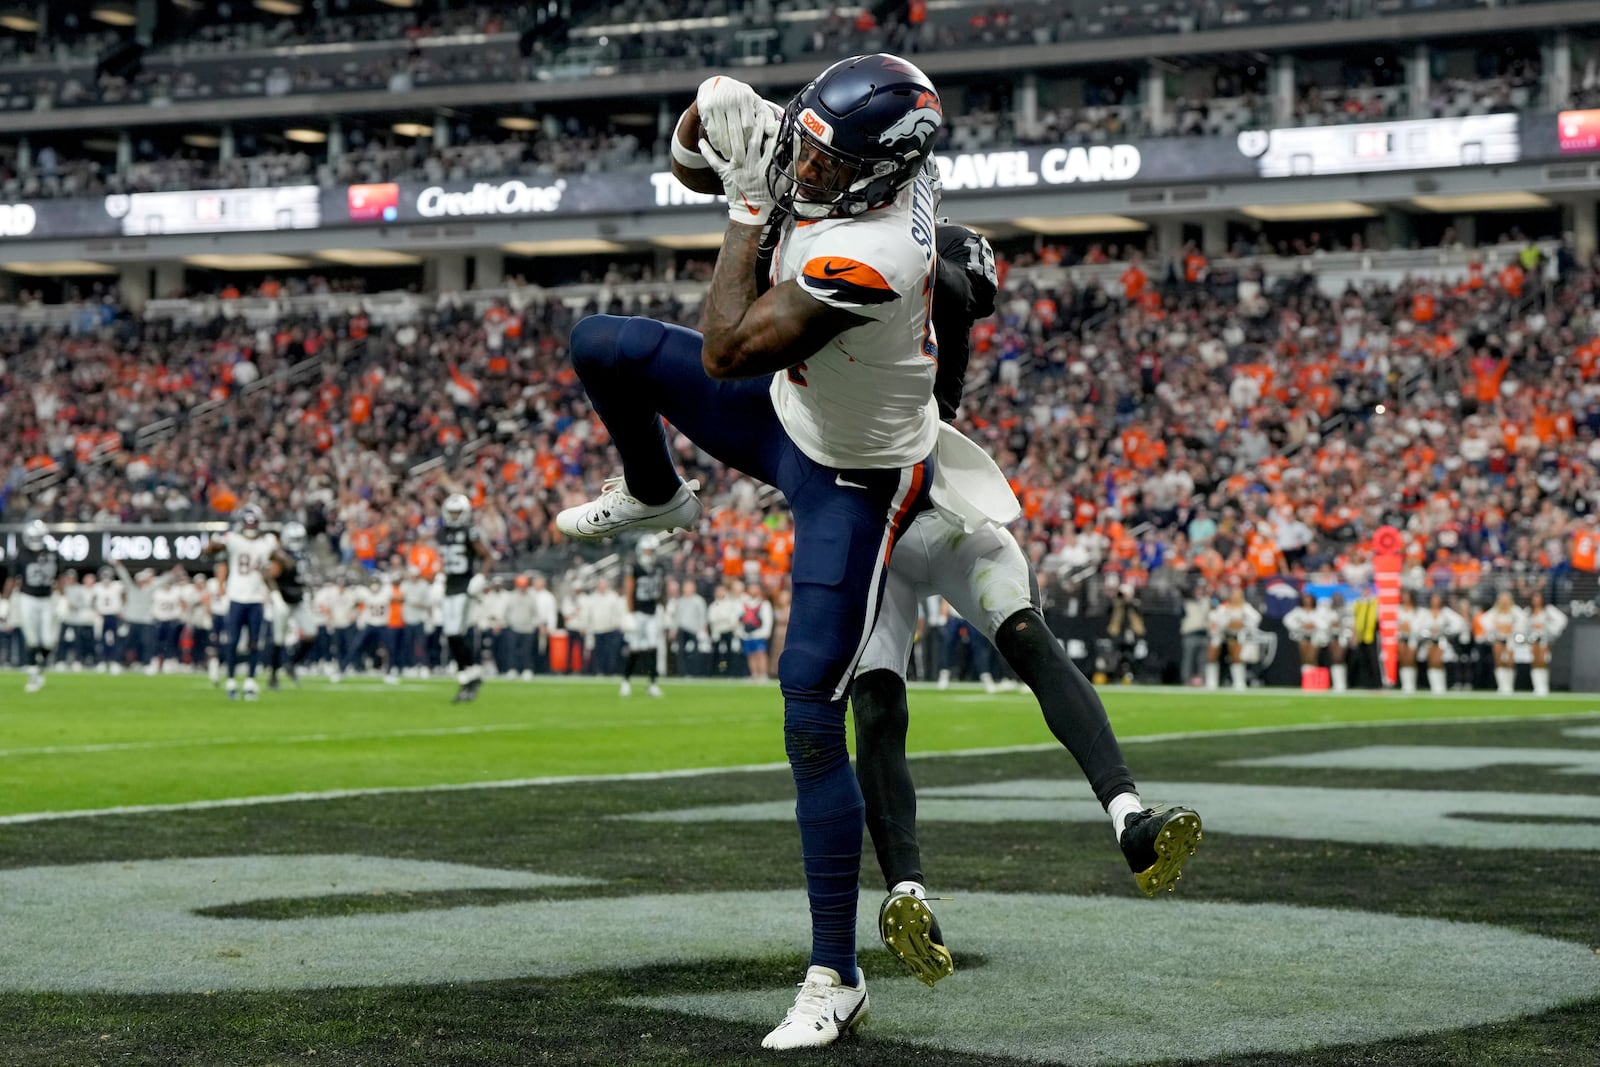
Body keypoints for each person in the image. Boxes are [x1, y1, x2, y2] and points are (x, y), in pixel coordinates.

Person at [555, 56, 948, 1047]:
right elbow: (714, 163)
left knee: (808, 704)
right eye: (803, 148)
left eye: (824, 161)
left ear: (880, 172)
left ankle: (837, 972)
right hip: (787, 410)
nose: (805, 170)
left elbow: (727, 344)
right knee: (602, 343)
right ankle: (655, 494)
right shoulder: (853, 158)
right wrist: (707, 129)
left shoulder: (879, 250)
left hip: (854, 473)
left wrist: (740, 199)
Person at [201, 505, 288, 701]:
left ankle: (250, 680)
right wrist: (215, 543)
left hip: (256, 598)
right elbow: (208, 551)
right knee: (232, 641)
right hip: (236, 596)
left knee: (254, 642)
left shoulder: (267, 542)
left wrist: (278, 562)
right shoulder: (233, 539)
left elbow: (283, 562)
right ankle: (231, 680)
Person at [437, 492, 494, 703]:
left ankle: (470, 677)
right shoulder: (441, 533)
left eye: (457, 512)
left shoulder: (471, 532)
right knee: (451, 635)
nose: (453, 516)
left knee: (455, 633)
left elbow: (488, 557)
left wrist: (480, 576)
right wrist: (439, 577)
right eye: (451, 512)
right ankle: (468, 676)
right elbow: (444, 561)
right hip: (450, 587)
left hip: (464, 587)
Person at [3, 520, 60, 692]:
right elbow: (12, 579)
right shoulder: (21, 554)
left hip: (48, 598)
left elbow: (60, 576)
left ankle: (40, 665)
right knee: (32, 638)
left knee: (49, 640)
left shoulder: (53, 554)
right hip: (27, 597)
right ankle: (33, 674)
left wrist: (63, 596)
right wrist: (5, 600)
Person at [621, 533, 666, 697]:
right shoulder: (634, 567)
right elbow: (629, 590)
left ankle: (652, 683)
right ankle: (626, 681)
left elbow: (661, 589)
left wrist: (662, 606)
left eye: (651, 550)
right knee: (635, 647)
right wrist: (629, 613)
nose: (649, 553)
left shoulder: (659, 567)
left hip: (652, 611)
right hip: (638, 612)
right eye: (647, 550)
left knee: (653, 646)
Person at [1478, 590, 1525, 694]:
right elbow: (1483, 620)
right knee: (1499, 661)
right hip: (1498, 638)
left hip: (1510, 639)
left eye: (1506, 600)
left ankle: (1509, 685)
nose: (1504, 602)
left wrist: (1512, 628)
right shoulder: (1495, 611)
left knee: (1509, 661)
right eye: (1502, 600)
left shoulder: (1514, 611)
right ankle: (1501, 685)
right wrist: (1496, 627)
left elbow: (1522, 621)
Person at [1522, 589, 1567, 695]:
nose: (1536, 600)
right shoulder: (1528, 611)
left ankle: (1543, 686)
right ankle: (1537, 686)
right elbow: (1522, 624)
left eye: (1538, 597)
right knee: (1535, 661)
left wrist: (1549, 629)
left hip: (1544, 638)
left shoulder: (1548, 610)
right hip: (1533, 639)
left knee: (1543, 661)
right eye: (1534, 597)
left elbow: (1562, 620)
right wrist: (1528, 631)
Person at [739, 582, 774, 683]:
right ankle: (754, 674)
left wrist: (766, 632)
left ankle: (763, 675)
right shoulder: (744, 603)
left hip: (759, 633)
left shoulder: (764, 603)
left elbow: (768, 619)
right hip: (747, 633)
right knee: (751, 655)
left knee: (760, 654)